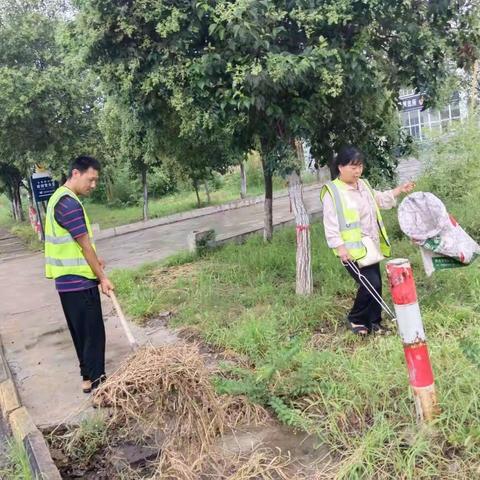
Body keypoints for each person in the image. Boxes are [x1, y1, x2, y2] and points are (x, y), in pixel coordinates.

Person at [320, 146, 415, 336]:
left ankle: (374, 322)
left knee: (375, 283)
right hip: (350, 250)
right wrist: (340, 248)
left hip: (370, 247)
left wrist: (398, 190)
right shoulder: (333, 192)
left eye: (360, 166)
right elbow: (330, 224)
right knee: (370, 283)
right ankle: (356, 318)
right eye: (353, 167)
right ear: (340, 167)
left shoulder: (363, 185)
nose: (357, 171)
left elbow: (378, 199)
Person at [45, 156, 114, 393]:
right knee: (93, 335)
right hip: (79, 282)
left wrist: (96, 261)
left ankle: (87, 379)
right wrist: (103, 278)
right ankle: (99, 386)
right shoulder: (69, 204)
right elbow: (84, 246)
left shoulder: (57, 198)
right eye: (91, 179)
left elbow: (78, 245)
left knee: (81, 333)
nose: (93, 185)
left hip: (66, 283)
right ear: (76, 173)